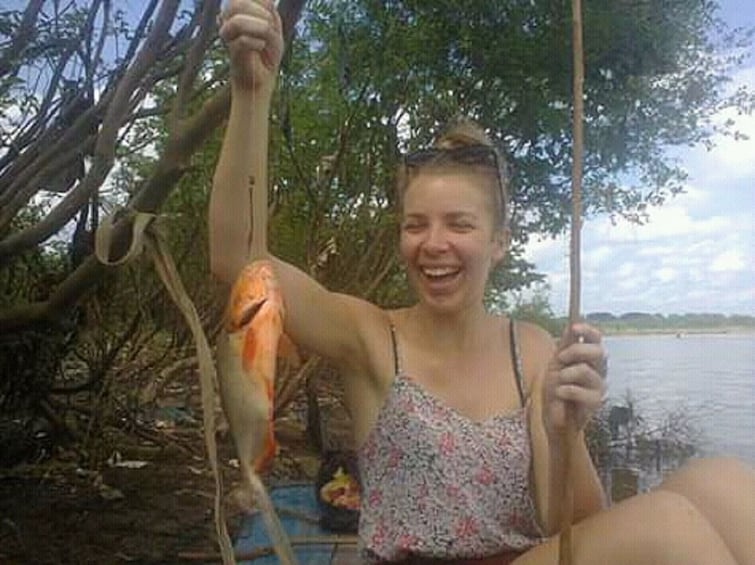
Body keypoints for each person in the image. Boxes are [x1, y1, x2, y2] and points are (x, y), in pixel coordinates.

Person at [211, 1, 755, 563]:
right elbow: (239, 262)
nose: (434, 243)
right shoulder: (369, 336)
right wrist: (252, 93)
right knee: (667, 524)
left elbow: (578, 528)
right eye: (415, 225)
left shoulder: (534, 349)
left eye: (459, 224)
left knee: (723, 480)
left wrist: (563, 432)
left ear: (499, 243)